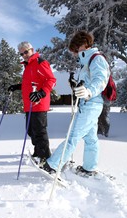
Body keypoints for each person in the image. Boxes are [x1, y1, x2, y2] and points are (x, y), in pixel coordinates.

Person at [41, 30, 110, 176]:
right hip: (89, 104)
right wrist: (76, 85)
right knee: (91, 138)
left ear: (83, 45)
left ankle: (52, 166)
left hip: (91, 103)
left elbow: (100, 80)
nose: (74, 54)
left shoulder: (96, 59)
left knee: (73, 136)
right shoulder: (86, 63)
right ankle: (89, 168)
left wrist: (88, 91)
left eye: (75, 50)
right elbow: (86, 83)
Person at [8, 41, 56, 162]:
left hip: (39, 103)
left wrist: (41, 93)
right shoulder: (28, 65)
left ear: (32, 50)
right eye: (21, 54)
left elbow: (51, 80)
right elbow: (28, 84)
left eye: (26, 52)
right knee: (30, 130)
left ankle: (45, 157)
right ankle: (38, 151)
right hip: (29, 104)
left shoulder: (40, 62)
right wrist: (17, 86)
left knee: (39, 132)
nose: (24, 55)